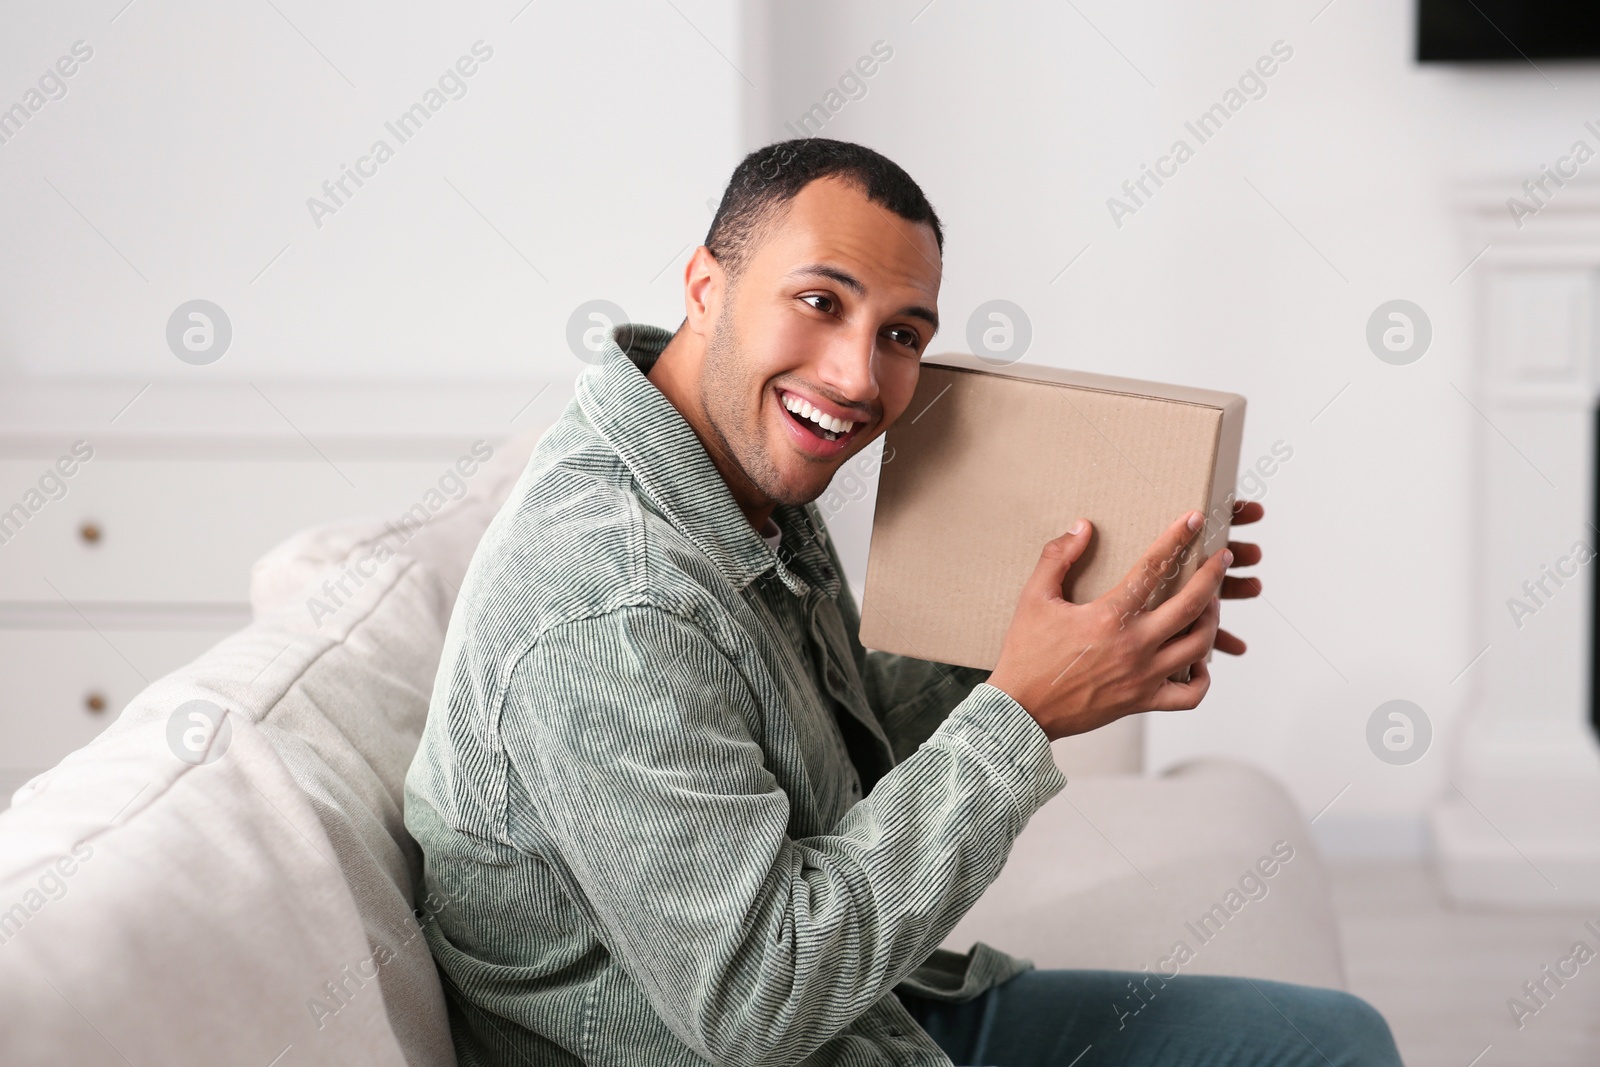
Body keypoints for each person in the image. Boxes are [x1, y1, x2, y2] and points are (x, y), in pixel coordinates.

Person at [404, 138, 1402, 1066]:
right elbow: (757, 999)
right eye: (819, 301)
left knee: (1329, 1040)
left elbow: (842, 743)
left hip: (872, 1013)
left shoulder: (738, 483)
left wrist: (1080, 619)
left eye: (901, 332)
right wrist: (1021, 713)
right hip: (784, 1030)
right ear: (706, 286)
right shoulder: (606, 606)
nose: (856, 377)